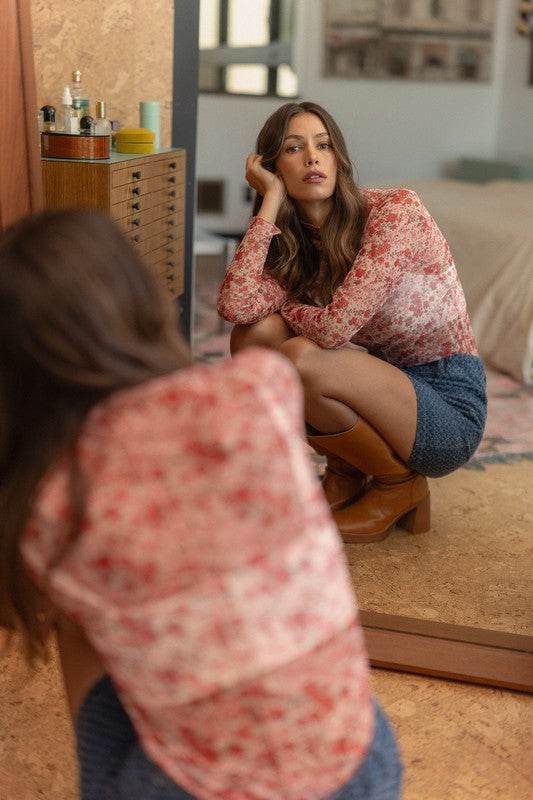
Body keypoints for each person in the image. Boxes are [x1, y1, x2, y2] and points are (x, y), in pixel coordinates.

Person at [0, 209, 402, 800]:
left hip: (195, 791)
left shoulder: (51, 508)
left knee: (80, 620)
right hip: (364, 768)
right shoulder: (260, 389)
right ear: (143, 305)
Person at [218, 101, 487, 544]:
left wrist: (291, 308)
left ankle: (399, 485)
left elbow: (334, 329)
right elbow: (236, 306)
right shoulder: (299, 247)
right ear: (272, 167)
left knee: (302, 357)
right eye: (293, 148)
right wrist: (269, 204)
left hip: (446, 403)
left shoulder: (395, 212)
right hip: (385, 388)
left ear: (338, 158)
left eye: (323, 145)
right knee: (255, 336)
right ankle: (346, 471)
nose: (312, 158)